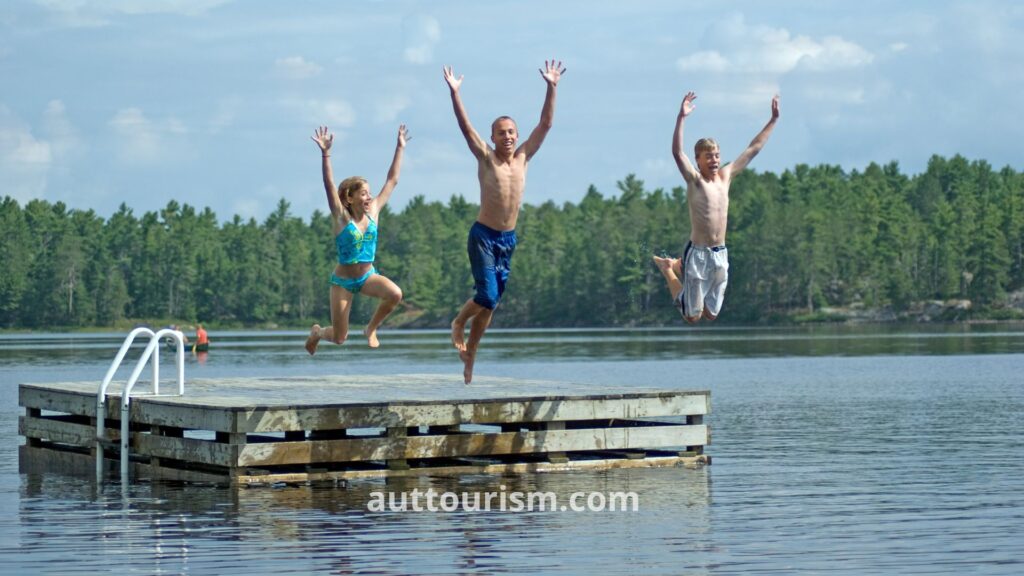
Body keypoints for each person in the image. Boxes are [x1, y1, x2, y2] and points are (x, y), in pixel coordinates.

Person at [443, 60, 566, 383]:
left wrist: (551, 87)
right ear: (493, 137)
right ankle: (458, 323)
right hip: (483, 236)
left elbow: (546, 124)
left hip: (507, 241)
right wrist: (456, 93)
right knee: (486, 296)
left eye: (511, 132)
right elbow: (465, 127)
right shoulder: (486, 157)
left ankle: (470, 354)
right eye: (501, 133)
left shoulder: (524, 157)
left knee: (491, 305)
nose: (508, 137)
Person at [654, 91, 779, 323]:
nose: (714, 160)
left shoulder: (726, 177)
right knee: (692, 317)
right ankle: (669, 269)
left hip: (720, 253)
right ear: (698, 160)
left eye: (717, 156)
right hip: (698, 254)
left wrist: (772, 120)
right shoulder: (694, 180)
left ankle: (678, 265)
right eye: (708, 156)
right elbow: (677, 153)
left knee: (710, 315)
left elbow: (753, 149)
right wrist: (681, 117)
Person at [305, 124, 408, 354]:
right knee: (340, 338)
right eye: (363, 194)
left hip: (367, 277)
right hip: (343, 282)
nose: (369, 197)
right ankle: (318, 333)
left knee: (395, 294)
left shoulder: (374, 213)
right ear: (349, 198)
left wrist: (399, 147)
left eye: (369, 193)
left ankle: (371, 328)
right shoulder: (342, 219)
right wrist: (325, 154)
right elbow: (329, 185)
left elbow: (392, 180)